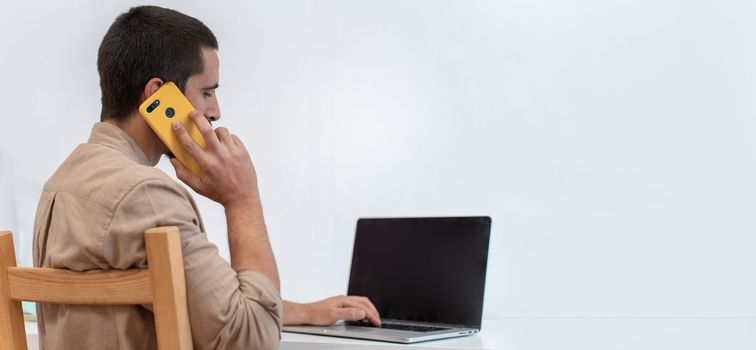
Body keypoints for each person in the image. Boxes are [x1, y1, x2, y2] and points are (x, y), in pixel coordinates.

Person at [32, 5, 379, 350]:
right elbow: (251, 339)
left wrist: (297, 311)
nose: (215, 111)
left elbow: (178, 301)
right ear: (157, 96)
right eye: (207, 92)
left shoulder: (61, 185)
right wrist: (243, 198)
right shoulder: (144, 194)